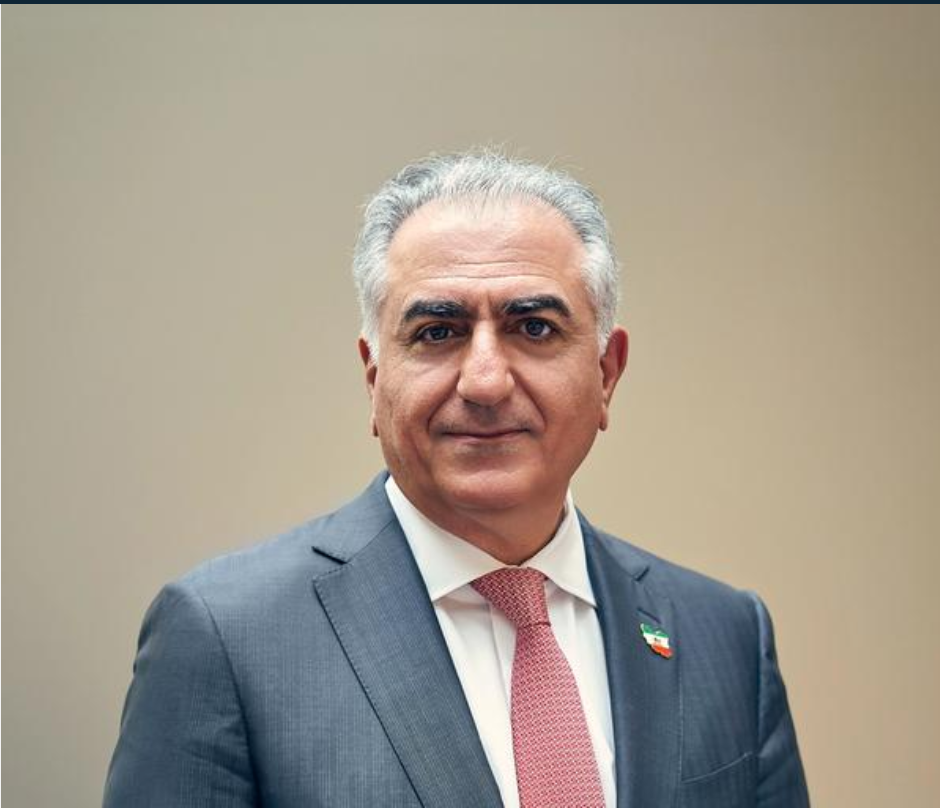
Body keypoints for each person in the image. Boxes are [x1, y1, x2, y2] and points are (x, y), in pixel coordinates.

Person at [103, 151, 810, 807]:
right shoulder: (227, 638)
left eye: (534, 328)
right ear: (374, 376)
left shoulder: (724, 636)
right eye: (437, 333)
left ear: (606, 373)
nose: (485, 381)